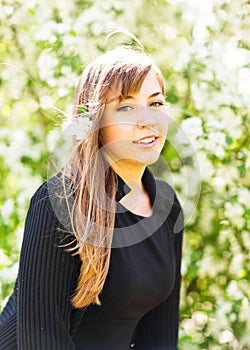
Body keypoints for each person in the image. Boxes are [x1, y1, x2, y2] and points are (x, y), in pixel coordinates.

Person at [0, 46, 184, 350]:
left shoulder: (167, 205)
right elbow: (42, 340)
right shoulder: (58, 202)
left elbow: (160, 336)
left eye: (156, 102)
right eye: (126, 107)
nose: (148, 119)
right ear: (96, 120)